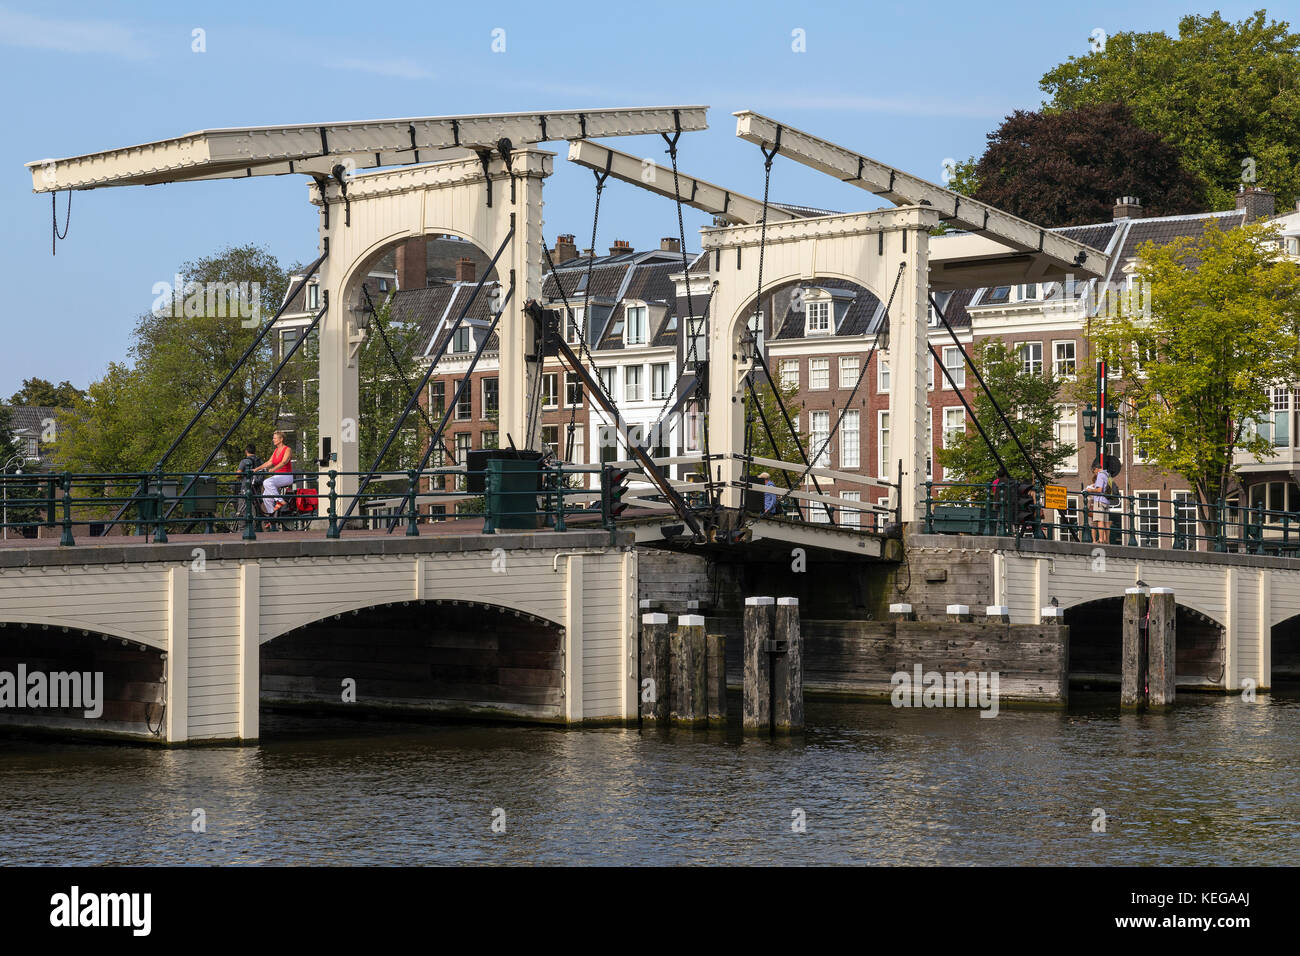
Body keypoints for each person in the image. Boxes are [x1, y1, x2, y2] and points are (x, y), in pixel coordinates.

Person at [257, 431, 294, 515]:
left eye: (275, 438)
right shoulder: (276, 450)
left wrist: (273, 469)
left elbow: (284, 462)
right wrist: (256, 469)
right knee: (266, 497)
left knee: (267, 482)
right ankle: (272, 516)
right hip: (277, 477)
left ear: (281, 439)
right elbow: (269, 462)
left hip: (286, 476)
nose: (273, 440)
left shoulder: (287, 449)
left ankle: (280, 501)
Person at [1086, 463, 1111, 541]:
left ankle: (1100, 539)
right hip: (1107, 500)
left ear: (1096, 469)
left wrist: (1090, 490)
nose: (1095, 474)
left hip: (1100, 500)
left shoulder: (1100, 475)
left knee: (1100, 521)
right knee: (1106, 522)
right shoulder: (1108, 475)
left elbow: (1099, 490)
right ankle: (1107, 540)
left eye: (1094, 472)